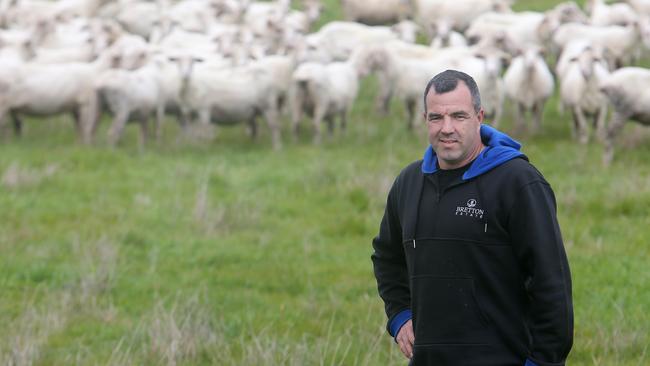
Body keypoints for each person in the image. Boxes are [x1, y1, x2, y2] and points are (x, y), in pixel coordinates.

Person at [371, 70, 573, 366]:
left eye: (459, 116)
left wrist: (543, 361)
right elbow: (387, 257)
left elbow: (550, 284)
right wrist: (400, 314)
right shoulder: (409, 183)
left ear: (480, 116)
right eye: (436, 118)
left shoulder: (518, 183)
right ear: (424, 119)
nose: (447, 128)